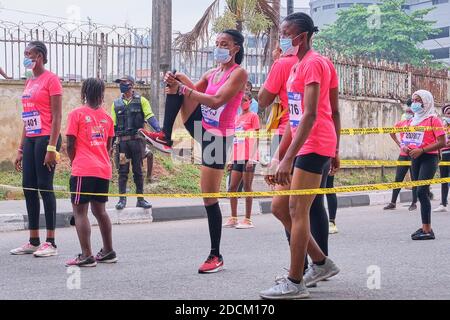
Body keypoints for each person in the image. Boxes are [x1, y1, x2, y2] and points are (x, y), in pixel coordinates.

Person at [140, 29, 248, 274]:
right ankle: (166, 137)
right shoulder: (212, 73)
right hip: (200, 125)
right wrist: (174, 83)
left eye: (225, 44)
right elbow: (188, 92)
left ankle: (215, 255)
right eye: (217, 43)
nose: (219, 47)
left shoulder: (238, 73)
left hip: (218, 138)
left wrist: (182, 89)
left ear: (236, 49)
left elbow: (215, 101)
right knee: (178, 77)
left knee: (209, 197)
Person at [259, 13, 341, 300]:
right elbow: (295, 119)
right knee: (280, 208)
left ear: (301, 36)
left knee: (297, 209)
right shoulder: (296, 66)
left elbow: (310, 115)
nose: (281, 38)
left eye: (285, 33)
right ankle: (321, 263)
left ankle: (295, 282)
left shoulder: (315, 63)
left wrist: (288, 159)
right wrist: (280, 156)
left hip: (314, 143)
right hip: (305, 143)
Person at [10, 41, 62, 258]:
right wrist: (21, 148)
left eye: (28, 54)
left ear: (39, 56)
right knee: (28, 186)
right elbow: (27, 117)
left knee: (44, 185)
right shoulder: (29, 82)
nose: (25, 57)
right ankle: (33, 240)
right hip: (31, 139)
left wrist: (52, 146)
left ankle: (50, 242)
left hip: (46, 139)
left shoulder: (52, 80)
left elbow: (57, 116)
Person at [65, 78, 118, 267]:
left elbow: (70, 144)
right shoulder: (108, 118)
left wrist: (75, 161)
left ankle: (87, 255)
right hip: (103, 169)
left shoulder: (76, 114)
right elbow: (109, 147)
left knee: (80, 212)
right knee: (100, 211)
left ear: (84, 93)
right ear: (102, 94)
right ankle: (108, 251)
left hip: (83, 169)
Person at [111, 76, 160, 210]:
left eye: (124, 83)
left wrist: (160, 130)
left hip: (138, 142)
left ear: (131, 85)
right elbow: (113, 126)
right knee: (122, 171)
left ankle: (140, 199)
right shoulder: (116, 104)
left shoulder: (142, 101)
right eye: (120, 83)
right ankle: (122, 200)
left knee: (138, 170)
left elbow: (150, 117)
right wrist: (110, 145)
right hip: (122, 144)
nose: (121, 85)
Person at [405, 90, 445, 240]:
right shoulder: (413, 120)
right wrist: (405, 146)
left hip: (429, 157)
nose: (414, 103)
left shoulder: (434, 120)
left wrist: (422, 150)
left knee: (422, 191)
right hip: (415, 157)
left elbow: (442, 142)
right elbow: (408, 140)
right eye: (413, 100)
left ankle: (427, 230)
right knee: (419, 192)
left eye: (418, 100)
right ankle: (425, 226)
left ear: (426, 102)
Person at [224, 91, 260, 229]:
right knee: (232, 187)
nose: (242, 102)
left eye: (245, 100)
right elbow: (234, 140)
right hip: (237, 156)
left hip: (248, 157)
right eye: (240, 100)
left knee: (247, 187)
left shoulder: (253, 116)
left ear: (250, 102)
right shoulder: (236, 118)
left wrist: (252, 157)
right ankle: (233, 218)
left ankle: (248, 219)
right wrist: (231, 159)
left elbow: (256, 138)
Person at [383, 101, 418, 211]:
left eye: (409, 112)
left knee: (414, 179)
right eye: (406, 112)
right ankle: (393, 202)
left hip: (414, 154)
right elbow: (392, 132)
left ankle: (414, 202)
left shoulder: (417, 123)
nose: (407, 113)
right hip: (403, 154)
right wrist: (399, 144)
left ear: (414, 113)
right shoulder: (402, 123)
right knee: (398, 178)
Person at [433, 104, 450, 212]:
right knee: (444, 179)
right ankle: (443, 204)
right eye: (448, 113)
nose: (449, 115)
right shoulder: (441, 125)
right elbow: (437, 139)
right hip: (444, 154)